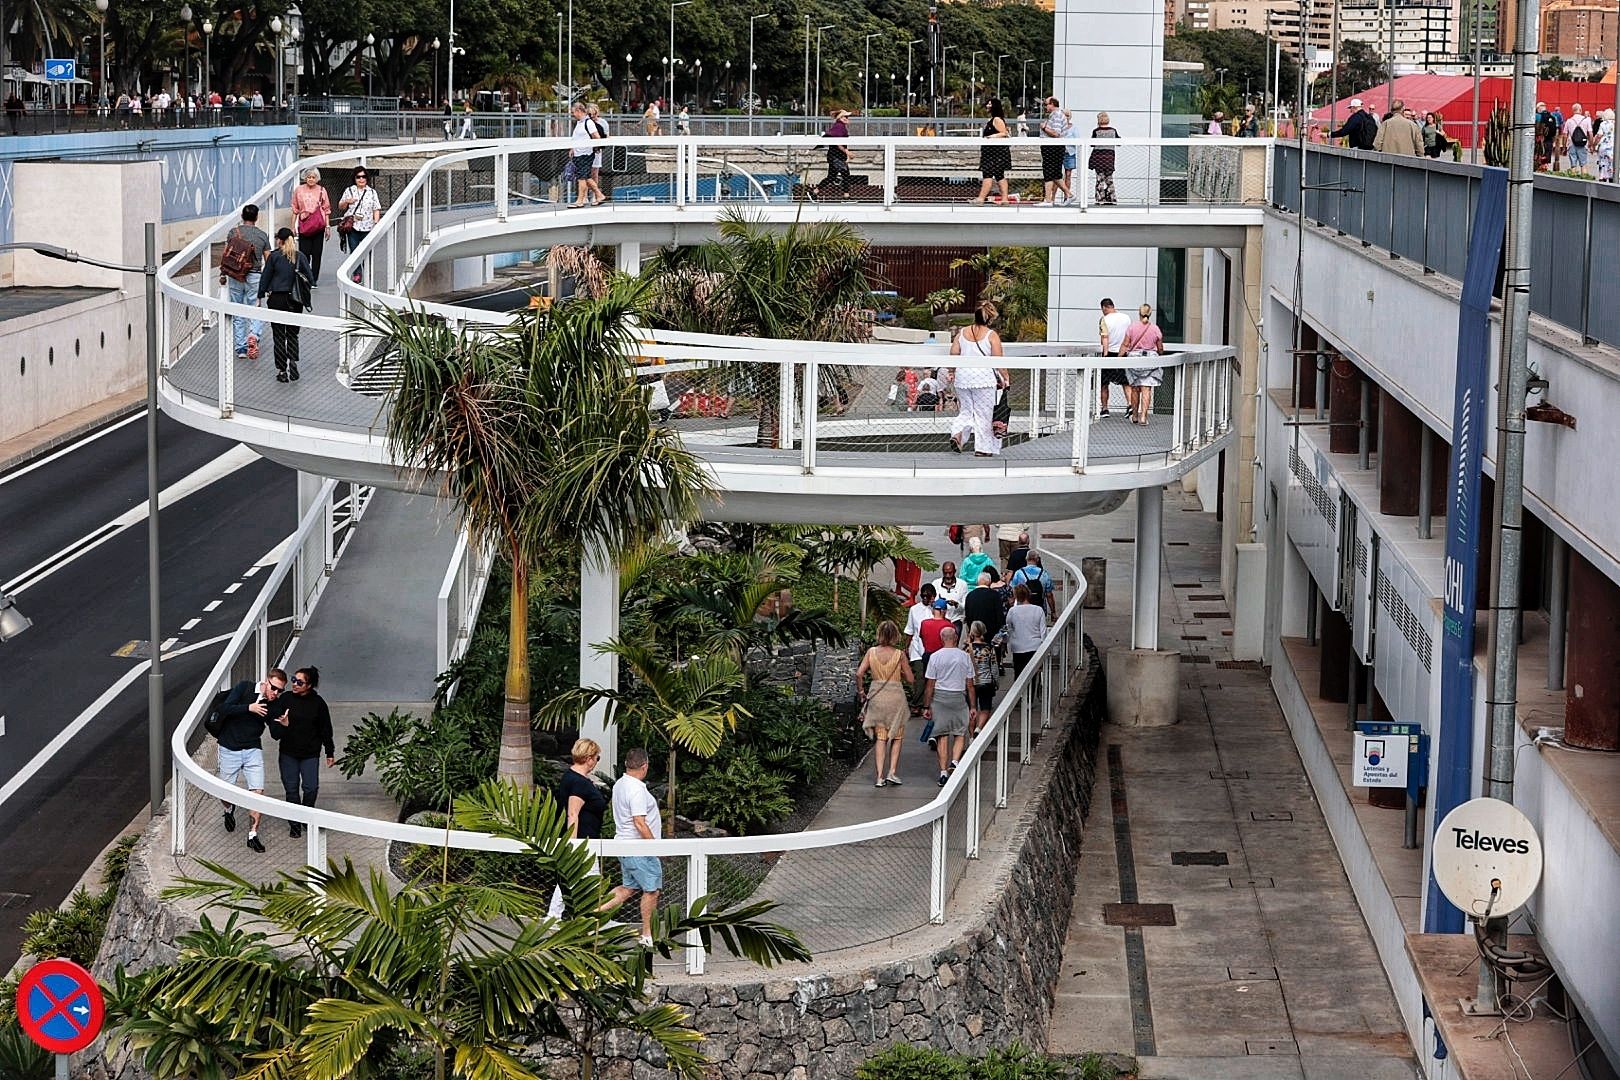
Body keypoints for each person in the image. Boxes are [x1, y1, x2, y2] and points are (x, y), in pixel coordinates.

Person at [213, 667, 287, 853]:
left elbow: (275, 734)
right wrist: (250, 708)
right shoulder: (245, 688)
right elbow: (224, 708)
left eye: (280, 690)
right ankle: (229, 810)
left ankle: (252, 835)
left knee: (257, 793)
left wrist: (285, 725)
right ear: (265, 681)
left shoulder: (274, 705)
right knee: (225, 793)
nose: (275, 693)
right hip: (229, 747)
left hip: (253, 749)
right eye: (273, 688)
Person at [265, 666, 334, 837]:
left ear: (309, 686)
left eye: (299, 682)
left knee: (311, 787)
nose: (294, 684)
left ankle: (305, 814)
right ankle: (294, 823)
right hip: (288, 753)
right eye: (293, 680)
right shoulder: (286, 699)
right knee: (291, 789)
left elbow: (326, 729)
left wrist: (329, 752)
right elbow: (274, 726)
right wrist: (283, 724)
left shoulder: (319, 704)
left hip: (310, 753)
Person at [607, 748, 662, 947]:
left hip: (624, 845)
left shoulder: (620, 784)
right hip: (639, 849)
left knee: (628, 888)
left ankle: (590, 916)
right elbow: (639, 822)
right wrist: (655, 848)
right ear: (645, 766)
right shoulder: (636, 789)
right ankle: (647, 935)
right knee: (652, 890)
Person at [547, 738, 607, 918]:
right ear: (589, 758)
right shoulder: (579, 782)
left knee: (576, 879)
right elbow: (573, 814)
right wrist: (572, 845)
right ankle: (561, 916)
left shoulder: (572, 777)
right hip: (582, 842)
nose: (597, 761)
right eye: (597, 758)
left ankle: (559, 916)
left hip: (586, 840)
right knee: (587, 880)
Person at [856, 621, 914, 787]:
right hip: (896, 697)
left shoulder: (871, 652)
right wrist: (900, 673)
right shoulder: (899, 655)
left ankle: (879, 777)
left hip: (877, 696)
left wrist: (861, 692)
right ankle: (892, 772)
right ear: (895, 635)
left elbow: (859, 673)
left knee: (880, 738)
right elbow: (910, 679)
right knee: (897, 736)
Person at [949, 302, 1009, 455]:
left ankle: (958, 433)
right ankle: (983, 449)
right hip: (983, 379)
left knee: (966, 411)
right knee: (984, 414)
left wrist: (952, 371)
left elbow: (954, 354)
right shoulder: (991, 335)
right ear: (990, 319)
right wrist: (1006, 377)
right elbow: (998, 361)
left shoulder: (961, 333)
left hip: (963, 378)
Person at [920, 626, 974, 786]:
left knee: (942, 735)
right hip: (958, 696)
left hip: (940, 698)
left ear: (941, 639)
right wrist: (972, 706)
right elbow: (970, 684)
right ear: (956, 638)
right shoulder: (964, 657)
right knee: (959, 732)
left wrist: (926, 706)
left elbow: (930, 685)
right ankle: (955, 761)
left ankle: (943, 772)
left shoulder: (935, 657)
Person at [258, 228, 313, 382]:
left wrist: (260, 295)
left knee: (279, 336)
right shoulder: (299, 256)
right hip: (295, 300)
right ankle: (293, 363)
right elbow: (310, 279)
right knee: (293, 334)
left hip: (277, 299)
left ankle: (282, 371)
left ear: (280, 240)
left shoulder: (274, 256)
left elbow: (265, 278)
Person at [218, 202, 270, 361]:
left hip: (235, 276)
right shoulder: (262, 235)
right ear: (256, 217)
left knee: (238, 310)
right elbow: (268, 260)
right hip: (255, 276)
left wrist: (222, 274)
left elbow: (227, 255)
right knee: (255, 308)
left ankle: (240, 348)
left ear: (242, 216)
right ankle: (253, 334)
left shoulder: (233, 233)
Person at [336, 166, 383, 283]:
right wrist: (347, 201)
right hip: (353, 226)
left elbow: (376, 208)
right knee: (355, 250)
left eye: (363, 177)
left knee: (367, 250)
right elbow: (340, 206)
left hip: (368, 226)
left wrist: (376, 223)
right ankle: (357, 273)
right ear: (355, 179)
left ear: (367, 178)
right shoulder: (349, 190)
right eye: (358, 177)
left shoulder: (372, 192)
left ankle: (367, 271)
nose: (361, 179)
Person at [1122, 302, 1166, 426]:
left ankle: (1134, 415)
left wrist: (1119, 358)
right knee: (1146, 389)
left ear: (1139, 313)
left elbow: (1125, 344)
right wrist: (1160, 354)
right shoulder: (1155, 328)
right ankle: (1143, 416)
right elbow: (1160, 347)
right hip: (1150, 361)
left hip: (1134, 360)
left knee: (1135, 388)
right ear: (1150, 314)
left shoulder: (1132, 327)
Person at [902, 582, 940, 709]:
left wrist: (935, 607)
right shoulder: (914, 610)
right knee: (920, 677)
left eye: (928, 596)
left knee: (931, 678)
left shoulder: (937, 609)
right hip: (917, 648)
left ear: (933, 596)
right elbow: (910, 630)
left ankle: (926, 702)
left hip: (934, 650)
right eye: (923, 596)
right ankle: (916, 704)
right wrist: (906, 647)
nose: (925, 599)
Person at [291, 167, 331, 285]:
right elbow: (295, 209)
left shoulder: (322, 190)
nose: (311, 179)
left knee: (317, 253)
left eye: (313, 177)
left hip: (318, 225)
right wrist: (292, 226)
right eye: (309, 177)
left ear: (317, 178)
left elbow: (326, 209)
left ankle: (314, 279)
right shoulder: (299, 190)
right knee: (304, 253)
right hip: (304, 224)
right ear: (305, 178)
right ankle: (305, 276)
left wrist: (328, 226)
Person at [971, 98, 1012, 205]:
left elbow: (1004, 133)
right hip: (991, 152)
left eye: (990, 104)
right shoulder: (992, 119)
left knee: (988, 174)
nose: (987, 106)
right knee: (999, 175)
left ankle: (981, 199)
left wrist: (991, 137)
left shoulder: (997, 119)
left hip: (995, 153)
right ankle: (1004, 199)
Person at [1098, 296, 1133, 418]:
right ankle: (1130, 405)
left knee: (1104, 383)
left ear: (1104, 307)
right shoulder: (1126, 318)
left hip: (1110, 353)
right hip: (1124, 353)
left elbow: (1105, 338)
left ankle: (1105, 408)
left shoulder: (1104, 319)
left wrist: (1105, 354)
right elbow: (1129, 336)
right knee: (1126, 382)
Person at [965, 621, 999, 737]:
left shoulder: (967, 649)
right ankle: (979, 728)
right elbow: (993, 666)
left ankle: (971, 737)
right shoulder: (989, 648)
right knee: (985, 708)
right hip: (986, 682)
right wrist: (996, 681)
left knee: (972, 709)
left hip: (971, 683)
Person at [1004, 583, 1046, 677]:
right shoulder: (1038, 610)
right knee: (1034, 676)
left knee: (1019, 675)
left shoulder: (1012, 611)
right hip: (1035, 646)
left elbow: (1008, 629)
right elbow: (1043, 632)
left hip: (1018, 647)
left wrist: (1007, 642)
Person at [1040, 96, 1073, 205]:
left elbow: (1056, 133)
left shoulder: (1057, 115)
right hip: (1052, 147)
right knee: (1054, 174)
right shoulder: (1054, 115)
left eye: (1046, 104)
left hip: (1054, 147)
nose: (1045, 106)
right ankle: (1069, 194)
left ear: (1052, 104)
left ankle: (1048, 200)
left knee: (1049, 172)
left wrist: (1044, 128)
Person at [962, 571, 1005, 648]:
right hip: (992, 634)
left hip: (975, 634)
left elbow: (968, 616)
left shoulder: (970, 596)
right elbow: (1000, 616)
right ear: (989, 582)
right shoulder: (994, 595)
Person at [565, 102, 596, 207]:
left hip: (586, 154)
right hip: (578, 154)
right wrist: (572, 148)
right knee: (586, 177)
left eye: (573, 112)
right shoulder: (579, 123)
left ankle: (580, 200)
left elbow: (596, 136)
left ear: (579, 111)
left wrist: (594, 147)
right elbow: (576, 137)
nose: (573, 115)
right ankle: (599, 194)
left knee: (581, 177)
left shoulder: (589, 123)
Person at [818, 109, 853, 199]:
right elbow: (838, 143)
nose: (847, 118)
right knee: (846, 174)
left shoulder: (839, 126)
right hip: (836, 156)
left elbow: (842, 142)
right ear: (840, 118)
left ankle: (814, 192)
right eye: (846, 116)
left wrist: (846, 153)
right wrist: (847, 152)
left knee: (831, 177)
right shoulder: (839, 126)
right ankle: (846, 197)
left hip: (835, 156)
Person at [1089, 111, 1120, 205]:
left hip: (1099, 158)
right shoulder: (1113, 131)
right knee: (1109, 179)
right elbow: (1118, 142)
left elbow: (1092, 144)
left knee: (1100, 179)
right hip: (1109, 157)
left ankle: (1100, 198)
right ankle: (1112, 198)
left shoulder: (1096, 131)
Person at [1012, 554, 1056, 621]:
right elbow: (1049, 595)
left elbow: (1013, 591)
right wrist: (1053, 612)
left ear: (1026, 559)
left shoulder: (1019, 573)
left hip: (1022, 609)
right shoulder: (1044, 574)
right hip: (1040, 609)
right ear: (1038, 560)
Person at [585, 103, 610, 204]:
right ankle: (585, 196)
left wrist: (600, 145)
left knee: (595, 173)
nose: (592, 116)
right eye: (590, 114)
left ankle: (595, 196)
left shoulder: (602, 123)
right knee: (585, 173)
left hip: (597, 151)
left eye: (594, 114)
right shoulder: (585, 122)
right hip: (586, 151)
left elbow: (607, 136)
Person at [1564, 105, 1593, 175]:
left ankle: (1573, 181)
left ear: (1573, 110)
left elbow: (1565, 134)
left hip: (1571, 144)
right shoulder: (1586, 120)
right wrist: (1591, 145)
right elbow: (1590, 133)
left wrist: (1564, 146)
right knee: (1583, 164)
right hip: (1583, 144)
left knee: (1573, 165)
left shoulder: (1569, 121)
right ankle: (1584, 181)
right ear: (1580, 110)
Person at [1596, 108, 1615, 183]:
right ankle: (1612, 179)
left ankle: (1602, 178)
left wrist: (1594, 144)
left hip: (1604, 147)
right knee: (1613, 164)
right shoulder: (1616, 123)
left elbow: (1599, 135)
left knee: (1603, 163)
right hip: (1614, 147)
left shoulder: (1603, 124)